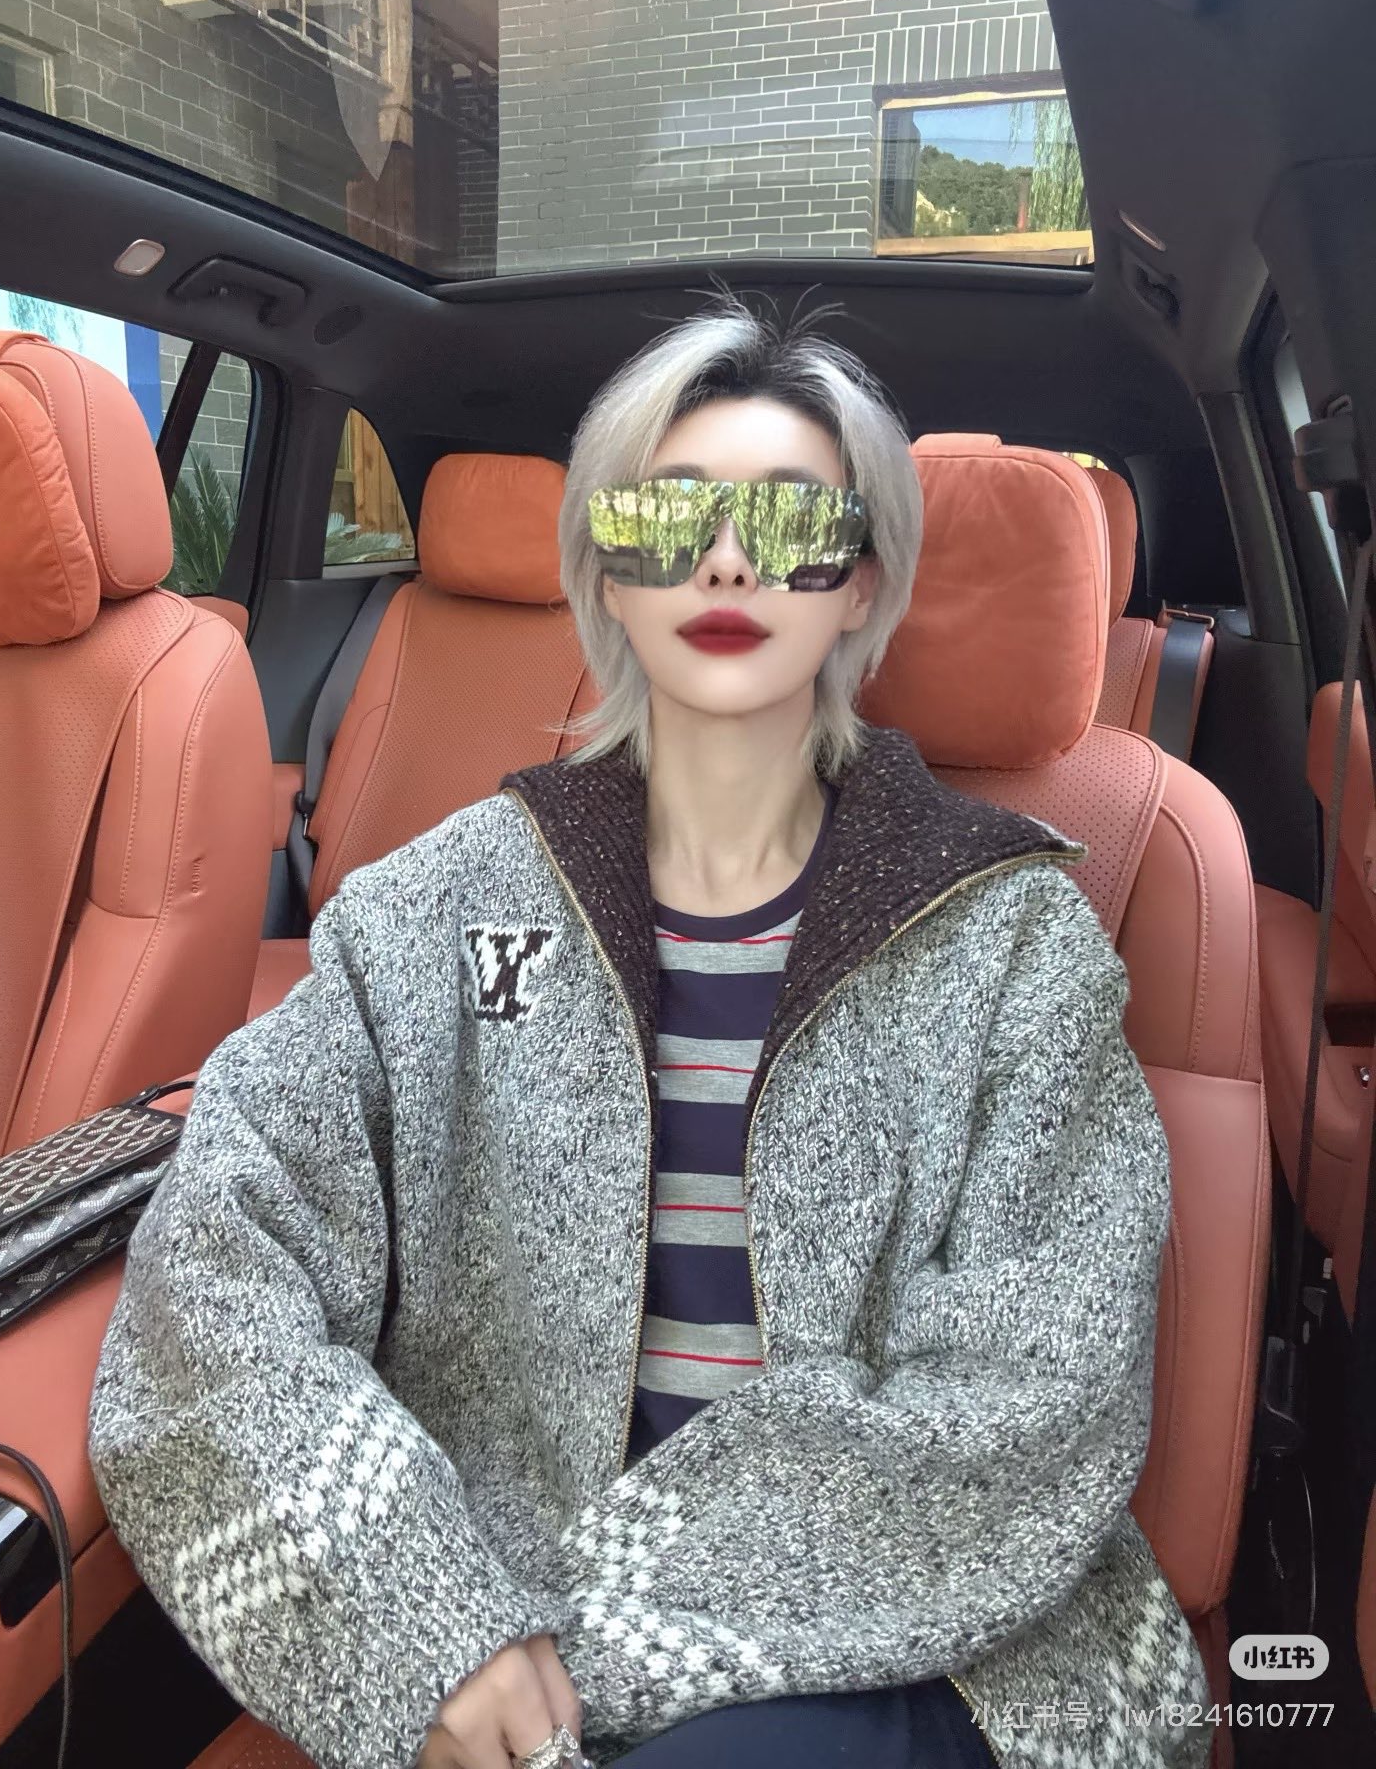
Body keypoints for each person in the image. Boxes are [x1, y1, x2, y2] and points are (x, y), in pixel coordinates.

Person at [88, 294, 1210, 1769]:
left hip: (927, 1630)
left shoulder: (1017, 950)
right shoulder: (433, 913)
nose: (727, 561)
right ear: (608, 578)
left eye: (792, 523)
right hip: (502, 1623)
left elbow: (1033, 1402)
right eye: (669, 519)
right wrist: (423, 1619)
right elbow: (213, 1269)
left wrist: (591, 1638)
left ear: (863, 585)